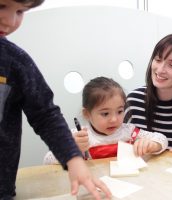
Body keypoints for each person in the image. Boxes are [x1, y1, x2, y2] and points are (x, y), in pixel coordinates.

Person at [0, 0, 111, 199]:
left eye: (20, 11)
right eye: (1, 6)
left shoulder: (15, 62)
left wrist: (73, 159)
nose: (9, 20)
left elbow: (45, 115)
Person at [43, 77, 168, 164]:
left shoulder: (129, 131)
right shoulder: (80, 136)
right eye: (105, 114)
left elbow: (162, 138)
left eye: (120, 111)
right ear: (87, 114)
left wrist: (153, 145)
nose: (114, 119)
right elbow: (47, 159)